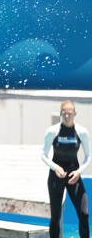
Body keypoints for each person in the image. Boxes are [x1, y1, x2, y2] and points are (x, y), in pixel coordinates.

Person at [42, 100, 90, 238]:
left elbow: (88, 156)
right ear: (60, 114)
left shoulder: (81, 132)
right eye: (64, 113)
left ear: (75, 113)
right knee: (56, 216)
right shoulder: (53, 131)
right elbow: (43, 155)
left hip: (73, 174)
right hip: (56, 175)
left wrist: (79, 172)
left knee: (84, 213)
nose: (67, 116)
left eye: (70, 113)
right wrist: (55, 167)